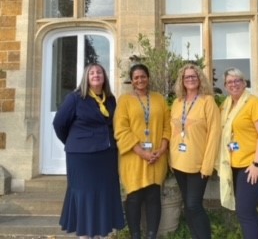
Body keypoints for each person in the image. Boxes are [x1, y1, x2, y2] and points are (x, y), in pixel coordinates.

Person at [52, 63, 125, 238]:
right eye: (91, 72)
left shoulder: (110, 99)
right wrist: (74, 142)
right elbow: (59, 124)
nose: (96, 75)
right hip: (82, 157)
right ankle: (85, 234)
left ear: (104, 76)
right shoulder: (75, 98)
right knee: (85, 195)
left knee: (103, 194)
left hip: (106, 156)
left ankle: (101, 233)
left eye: (99, 72)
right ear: (86, 77)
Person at [114, 63, 171, 239]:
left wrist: (161, 149)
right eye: (136, 77)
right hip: (134, 158)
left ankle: (152, 235)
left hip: (156, 157)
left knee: (154, 197)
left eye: (143, 76)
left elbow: (167, 126)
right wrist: (142, 152)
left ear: (148, 78)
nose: (140, 80)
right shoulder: (124, 100)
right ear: (132, 81)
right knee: (134, 197)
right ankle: (136, 235)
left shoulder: (159, 99)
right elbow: (121, 129)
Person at [218, 68, 258, 238]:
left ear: (244, 83)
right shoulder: (226, 105)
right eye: (229, 82)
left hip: (253, 165)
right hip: (234, 164)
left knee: (245, 211)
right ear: (225, 86)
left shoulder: (254, 103)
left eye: (237, 80)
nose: (233, 84)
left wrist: (257, 164)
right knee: (245, 211)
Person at [169, 64, 220, 239]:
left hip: (198, 165)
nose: (190, 79)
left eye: (193, 76)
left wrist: (208, 165)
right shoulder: (177, 103)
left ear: (199, 79)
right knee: (187, 205)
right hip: (178, 163)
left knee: (193, 205)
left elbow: (215, 134)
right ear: (182, 81)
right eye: (186, 77)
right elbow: (173, 133)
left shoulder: (208, 101)